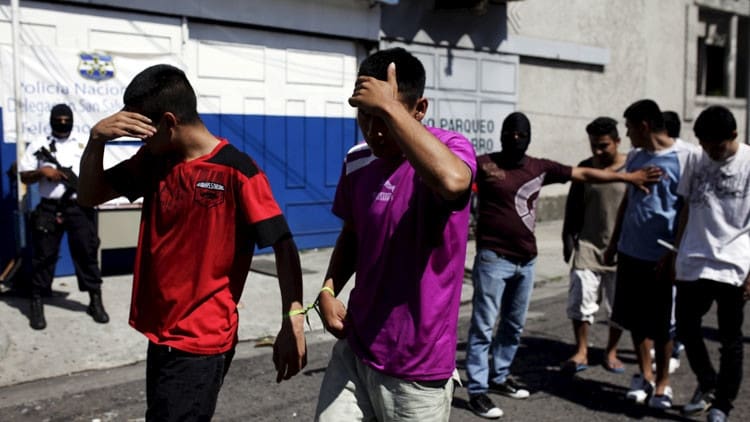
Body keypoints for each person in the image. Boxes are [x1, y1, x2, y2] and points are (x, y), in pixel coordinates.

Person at [78, 64, 307, 421]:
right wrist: (96, 141)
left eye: (143, 131)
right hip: (161, 335)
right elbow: (89, 195)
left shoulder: (237, 171)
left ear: (169, 123)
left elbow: (284, 244)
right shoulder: (154, 161)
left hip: (200, 342)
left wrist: (292, 318)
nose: (141, 141)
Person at [314, 47, 475, 422]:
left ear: (419, 109)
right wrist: (328, 289)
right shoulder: (358, 160)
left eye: (384, 116)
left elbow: (454, 182)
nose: (373, 130)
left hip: (416, 367)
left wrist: (390, 107)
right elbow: (353, 233)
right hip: (356, 349)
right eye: (365, 115)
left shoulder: (450, 150)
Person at [466, 111, 661, 419]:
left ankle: (499, 376)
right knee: (484, 326)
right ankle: (477, 390)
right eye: (509, 133)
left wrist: (628, 177)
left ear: (529, 137)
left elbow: (585, 175)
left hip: (526, 261)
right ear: (501, 134)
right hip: (493, 259)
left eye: (521, 134)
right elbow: (450, 179)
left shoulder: (539, 167)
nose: (515, 138)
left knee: (514, 325)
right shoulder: (484, 164)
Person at [604, 99, 697, 410]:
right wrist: (614, 242)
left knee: (662, 324)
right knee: (635, 320)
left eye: (629, 128)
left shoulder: (686, 156)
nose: (627, 134)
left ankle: (662, 383)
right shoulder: (636, 157)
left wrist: (677, 252)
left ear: (644, 126)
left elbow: (688, 209)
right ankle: (644, 374)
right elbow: (627, 201)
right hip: (631, 251)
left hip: (663, 257)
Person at [673, 105, 750, 422]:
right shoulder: (696, 157)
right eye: (704, 145)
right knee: (685, 326)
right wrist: (675, 251)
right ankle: (708, 382)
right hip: (693, 258)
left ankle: (722, 404)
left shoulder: (749, 163)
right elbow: (686, 207)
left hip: (734, 263)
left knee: (730, 339)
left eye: (716, 147)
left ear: (733, 135)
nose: (709, 152)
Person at [18, 104, 109, 330]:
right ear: (51, 120)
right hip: (49, 208)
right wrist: (42, 172)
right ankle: (37, 302)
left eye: (66, 120)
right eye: (58, 120)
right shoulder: (39, 144)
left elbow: (98, 171)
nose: (62, 123)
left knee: (87, 253)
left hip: (80, 207)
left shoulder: (84, 142)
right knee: (43, 256)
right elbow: (24, 176)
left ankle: (95, 300)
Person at [561, 117, 626, 375]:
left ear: (617, 141)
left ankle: (611, 351)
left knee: (618, 306)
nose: (598, 151)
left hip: (621, 249)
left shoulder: (632, 167)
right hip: (588, 246)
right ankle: (582, 350)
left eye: (604, 145)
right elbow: (573, 208)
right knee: (580, 299)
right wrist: (568, 240)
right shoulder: (585, 168)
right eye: (594, 146)